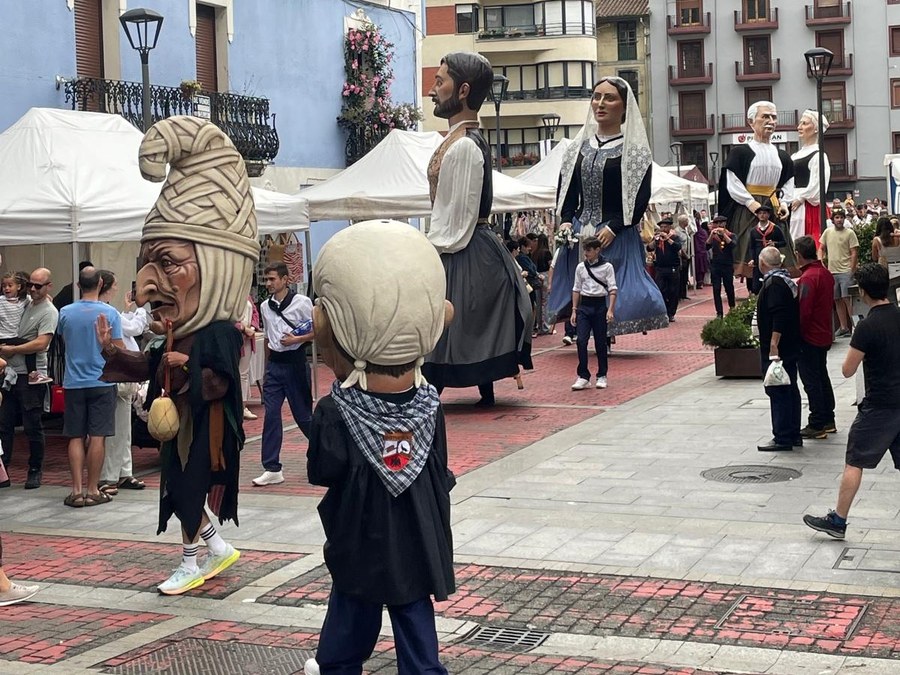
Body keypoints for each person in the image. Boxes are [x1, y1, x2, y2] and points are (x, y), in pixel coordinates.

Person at [98, 116, 254, 595]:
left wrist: (190, 370)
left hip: (203, 430)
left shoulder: (221, 331)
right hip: (178, 425)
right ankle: (213, 548)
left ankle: (192, 560)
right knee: (178, 487)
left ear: (216, 267)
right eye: (147, 264)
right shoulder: (174, 329)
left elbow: (223, 383)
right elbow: (151, 366)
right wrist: (114, 352)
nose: (146, 284)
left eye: (166, 263)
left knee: (186, 488)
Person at [304, 220, 455, 675]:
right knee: (416, 628)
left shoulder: (335, 411)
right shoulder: (431, 405)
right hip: (416, 541)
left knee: (347, 629)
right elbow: (440, 473)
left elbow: (322, 471)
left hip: (360, 540)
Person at [422, 52, 533, 407]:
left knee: (455, 318)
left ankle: (441, 387)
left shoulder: (466, 147)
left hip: (464, 246)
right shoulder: (457, 141)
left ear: (464, 90)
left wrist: (429, 249)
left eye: (440, 82)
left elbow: (458, 216)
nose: (433, 90)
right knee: (455, 320)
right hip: (464, 243)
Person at [553, 76, 666, 338]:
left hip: (616, 232)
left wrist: (615, 226)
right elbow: (567, 189)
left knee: (616, 287)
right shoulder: (576, 149)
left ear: (624, 107)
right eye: (596, 96)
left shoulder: (635, 153)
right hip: (582, 232)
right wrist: (567, 220)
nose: (600, 103)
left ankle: (608, 332)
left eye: (610, 98)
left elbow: (639, 198)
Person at [803, 264, 900, 540]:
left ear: (864, 292)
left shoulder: (867, 326)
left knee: (855, 461)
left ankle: (838, 520)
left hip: (879, 406)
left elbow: (847, 369)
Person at [58, 267, 123, 507]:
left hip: (74, 381)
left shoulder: (64, 312)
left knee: (75, 435)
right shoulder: (110, 313)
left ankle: (76, 491)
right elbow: (118, 350)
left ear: (78, 285)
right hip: (103, 380)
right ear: (101, 283)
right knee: (97, 436)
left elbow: (64, 341)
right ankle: (93, 489)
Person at [254, 262, 315, 487]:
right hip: (275, 366)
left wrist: (296, 340)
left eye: (272, 279)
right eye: (266, 280)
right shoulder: (265, 306)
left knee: (304, 416)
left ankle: (325, 452)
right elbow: (269, 337)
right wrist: (267, 368)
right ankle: (271, 467)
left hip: (296, 363)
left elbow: (317, 330)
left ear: (284, 280)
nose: (268, 283)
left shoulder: (303, 302)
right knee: (271, 415)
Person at [717, 101, 794, 277]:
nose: (770, 121)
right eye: (765, 116)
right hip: (749, 208)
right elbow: (733, 182)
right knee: (749, 249)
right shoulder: (740, 152)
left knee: (776, 245)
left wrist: (784, 204)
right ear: (751, 122)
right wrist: (750, 203)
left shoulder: (782, 155)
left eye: (774, 117)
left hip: (773, 205)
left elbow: (789, 182)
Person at [0, 267, 59, 489]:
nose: (33, 289)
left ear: (48, 286)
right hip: (9, 372)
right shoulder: (24, 302)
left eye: (38, 286)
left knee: (32, 424)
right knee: (4, 423)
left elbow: (42, 343)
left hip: (30, 374)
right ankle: (3, 470)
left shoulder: (49, 311)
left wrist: (13, 349)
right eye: (30, 285)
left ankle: (35, 470)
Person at [97, 269, 150, 495]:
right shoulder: (107, 311)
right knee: (117, 427)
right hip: (118, 372)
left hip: (119, 374)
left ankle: (123, 471)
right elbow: (134, 328)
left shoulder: (108, 311)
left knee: (123, 427)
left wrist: (129, 309)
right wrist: (138, 308)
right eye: (115, 284)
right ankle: (110, 475)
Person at [755, 246, 801, 452]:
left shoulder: (774, 284)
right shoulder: (783, 281)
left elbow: (779, 316)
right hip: (789, 345)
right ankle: (792, 433)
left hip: (779, 348)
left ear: (763, 263)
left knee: (779, 388)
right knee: (788, 387)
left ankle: (783, 435)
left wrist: (774, 344)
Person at [794, 236, 836, 440]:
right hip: (824, 332)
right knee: (821, 375)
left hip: (810, 335)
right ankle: (828, 419)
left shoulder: (809, 278)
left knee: (812, 380)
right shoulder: (825, 274)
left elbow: (804, 311)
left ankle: (817, 422)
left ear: (798, 255)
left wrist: (797, 334)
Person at [570, 237, 616, 390]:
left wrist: (610, 309)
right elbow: (576, 288)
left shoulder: (607, 267)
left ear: (597, 250)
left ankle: (602, 375)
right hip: (585, 306)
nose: (586, 253)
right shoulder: (580, 268)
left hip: (599, 306)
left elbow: (612, 289)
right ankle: (583, 375)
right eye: (585, 250)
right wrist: (574, 310)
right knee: (581, 341)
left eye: (589, 250)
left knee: (600, 342)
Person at [787, 110, 830, 244]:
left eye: (804, 123)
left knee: (804, 239)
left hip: (807, 206)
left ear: (816, 128)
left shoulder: (819, 155)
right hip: (793, 202)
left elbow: (818, 184)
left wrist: (801, 198)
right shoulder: (795, 155)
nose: (799, 127)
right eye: (800, 123)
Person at [818, 206, 859, 337]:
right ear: (833, 219)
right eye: (837, 217)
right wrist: (821, 260)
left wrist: (852, 269)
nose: (839, 220)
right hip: (831, 271)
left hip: (846, 270)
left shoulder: (850, 233)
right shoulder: (827, 232)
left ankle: (856, 326)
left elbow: (854, 252)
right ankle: (843, 327)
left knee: (848, 299)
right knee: (837, 300)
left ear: (844, 218)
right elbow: (821, 248)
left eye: (841, 217)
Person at [647, 216, 682, 321]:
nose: (663, 229)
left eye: (665, 227)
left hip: (673, 268)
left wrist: (667, 239)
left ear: (669, 227)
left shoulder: (674, 237)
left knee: (673, 291)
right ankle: (664, 311)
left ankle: (671, 313)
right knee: (661, 290)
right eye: (661, 227)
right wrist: (655, 240)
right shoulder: (658, 238)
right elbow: (649, 248)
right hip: (660, 268)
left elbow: (678, 247)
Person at [746, 203, 786, 295]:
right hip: (758, 261)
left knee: (771, 284)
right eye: (760, 213)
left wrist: (774, 244)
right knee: (756, 287)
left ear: (768, 215)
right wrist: (752, 259)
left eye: (764, 213)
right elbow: (751, 246)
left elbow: (784, 242)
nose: (762, 215)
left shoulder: (775, 229)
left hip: (772, 262)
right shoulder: (753, 231)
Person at [707, 214, 737, 318]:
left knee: (729, 287)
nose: (719, 225)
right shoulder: (713, 236)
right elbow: (706, 246)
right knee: (716, 289)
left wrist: (724, 234)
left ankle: (732, 308)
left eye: (721, 223)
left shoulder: (731, 234)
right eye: (717, 223)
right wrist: (711, 234)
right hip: (715, 265)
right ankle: (719, 312)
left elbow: (732, 244)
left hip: (727, 265)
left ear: (725, 224)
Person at [237, 287, 260, 420]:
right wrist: (243, 329)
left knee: (243, 374)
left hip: (247, 340)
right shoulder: (227, 296)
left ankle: (243, 405)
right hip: (235, 338)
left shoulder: (246, 294)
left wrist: (251, 327)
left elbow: (255, 313)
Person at [674, 213, 696, 300]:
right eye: (687, 220)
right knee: (680, 275)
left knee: (684, 276)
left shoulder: (686, 230)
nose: (688, 222)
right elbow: (679, 245)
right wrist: (686, 255)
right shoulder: (677, 231)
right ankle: (679, 294)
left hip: (687, 255)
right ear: (683, 222)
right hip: (681, 255)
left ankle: (683, 293)